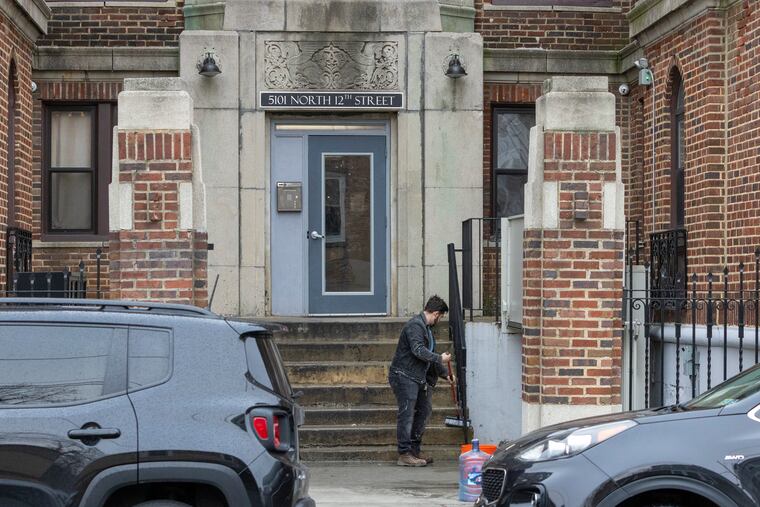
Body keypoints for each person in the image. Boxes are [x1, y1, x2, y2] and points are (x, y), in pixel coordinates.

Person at [388, 295, 452, 467]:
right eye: (441, 316)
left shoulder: (426, 329)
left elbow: (429, 355)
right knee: (407, 414)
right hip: (404, 375)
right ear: (436, 313)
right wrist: (440, 358)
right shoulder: (415, 326)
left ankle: (414, 450)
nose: (440, 320)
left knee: (424, 411)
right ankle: (404, 454)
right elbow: (418, 351)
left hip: (418, 378)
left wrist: (445, 374)